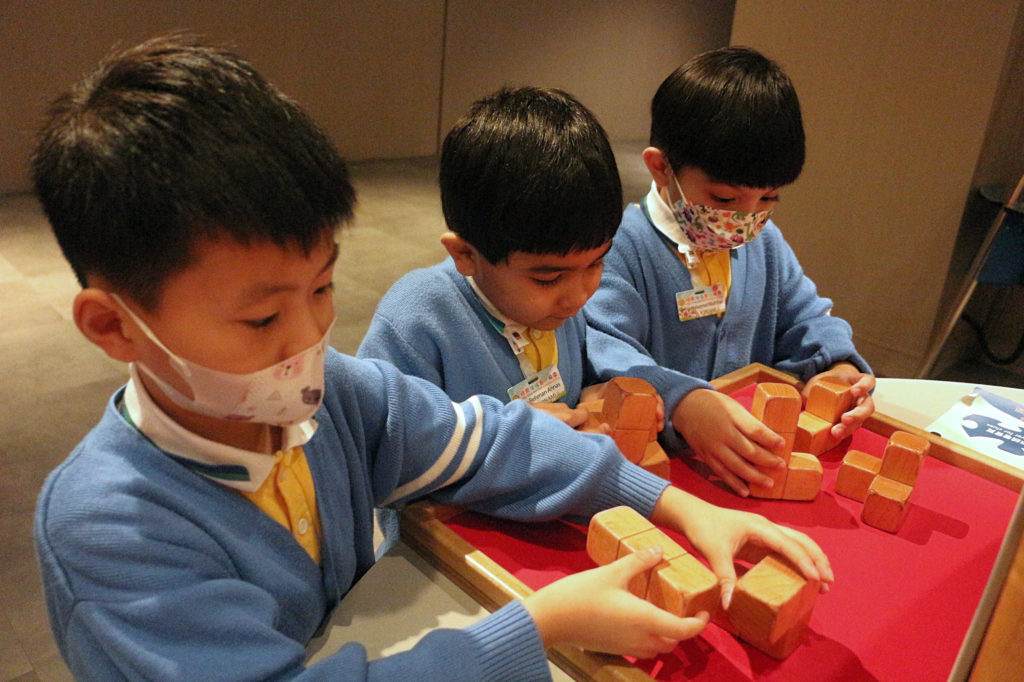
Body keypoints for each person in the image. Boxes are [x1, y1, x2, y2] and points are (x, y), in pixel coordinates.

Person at [32, 36, 832, 681]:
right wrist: (537, 626)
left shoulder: (336, 394)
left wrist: (680, 507)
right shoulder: (110, 530)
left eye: (323, 288)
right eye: (262, 316)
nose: (308, 337)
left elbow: (488, 440)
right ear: (115, 327)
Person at [584, 46, 875, 497]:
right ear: (661, 169)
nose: (746, 218)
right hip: (660, 472)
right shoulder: (622, 248)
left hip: (747, 458)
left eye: (768, 198)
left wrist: (836, 366)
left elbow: (807, 317)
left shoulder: (765, 242)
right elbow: (607, 350)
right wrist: (683, 401)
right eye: (724, 199)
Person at [358, 85, 642, 431]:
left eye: (596, 263)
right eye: (548, 279)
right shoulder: (419, 321)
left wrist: (592, 393)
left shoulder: (558, 303)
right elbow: (384, 439)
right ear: (465, 254)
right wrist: (507, 436)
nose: (579, 296)